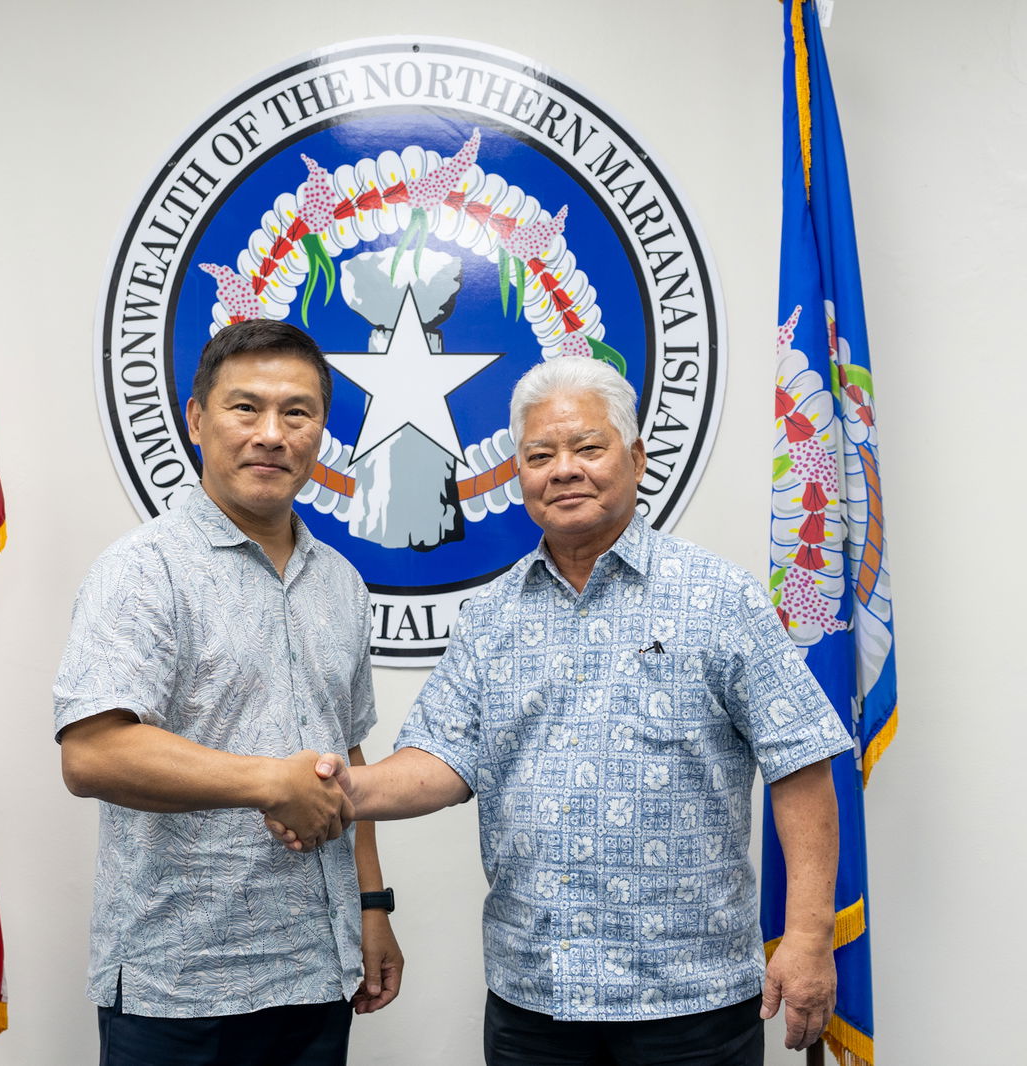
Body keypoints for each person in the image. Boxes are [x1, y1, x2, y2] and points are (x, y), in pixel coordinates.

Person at [269, 356, 851, 1065]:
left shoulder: (719, 598)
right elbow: (441, 761)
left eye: (587, 447)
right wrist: (335, 789)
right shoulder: (491, 614)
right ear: (519, 475)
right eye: (540, 455)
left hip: (690, 1004)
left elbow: (800, 764)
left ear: (635, 459)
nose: (562, 469)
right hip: (533, 1002)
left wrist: (809, 934)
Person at [54, 320, 402, 1066]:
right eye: (246, 408)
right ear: (197, 420)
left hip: (316, 970)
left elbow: (348, 755)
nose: (272, 433)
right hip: (179, 985)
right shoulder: (143, 570)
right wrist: (269, 783)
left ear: (321, 431)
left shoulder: (340, 581)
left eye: (297, 412)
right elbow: (91, 753)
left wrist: (373, 907)